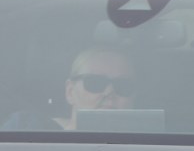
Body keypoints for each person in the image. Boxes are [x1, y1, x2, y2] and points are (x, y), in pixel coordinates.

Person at [2, 46, 137, 131]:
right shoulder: (24, 127)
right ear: (70, 92)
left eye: (122, 85)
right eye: (95, 82)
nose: (109, 92)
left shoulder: (151, 141)